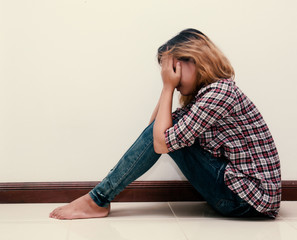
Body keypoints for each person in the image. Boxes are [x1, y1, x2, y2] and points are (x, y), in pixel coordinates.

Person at [49, 28, 281, 220]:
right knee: (165, 133)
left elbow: (159, 143)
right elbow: (153, 132)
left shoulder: (219, 93)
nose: (171, 77)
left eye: (172, 69)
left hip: (247, 201)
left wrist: (168, 87)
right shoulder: (207, 94)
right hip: (242, 196)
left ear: (194, 61)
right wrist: (166, 87)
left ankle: (97, 199)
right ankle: (97, 199)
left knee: (167, 138)